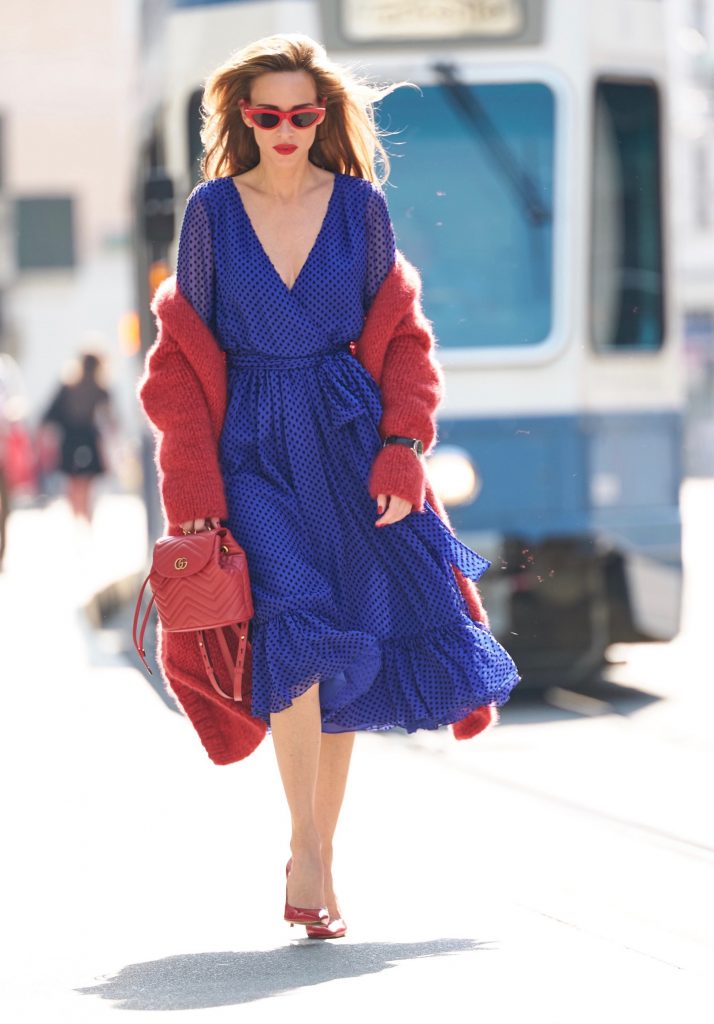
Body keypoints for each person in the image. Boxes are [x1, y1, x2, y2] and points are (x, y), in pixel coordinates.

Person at [139, 33, 519, 939]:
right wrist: (191, 479)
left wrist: (401, 447)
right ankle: (307, 850)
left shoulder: (360, 208)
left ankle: (317, 857)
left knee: (345, 635)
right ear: (241, 117)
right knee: (299, 625)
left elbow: (401, 339)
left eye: (302, 115)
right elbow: (183, 361)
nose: (284, 130)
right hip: (252, 452)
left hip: (346, 444)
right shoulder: (210, 215)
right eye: (265, 115)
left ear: (322, 119)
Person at [42, 352, 114, 522]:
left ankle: (78, 518)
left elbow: (49, 415)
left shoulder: (68, 387)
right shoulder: (99, 389)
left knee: (74, 483)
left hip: (71, 440)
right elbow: (110, 419)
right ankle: (85, 518)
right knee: (85, 484)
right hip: (87, 440)